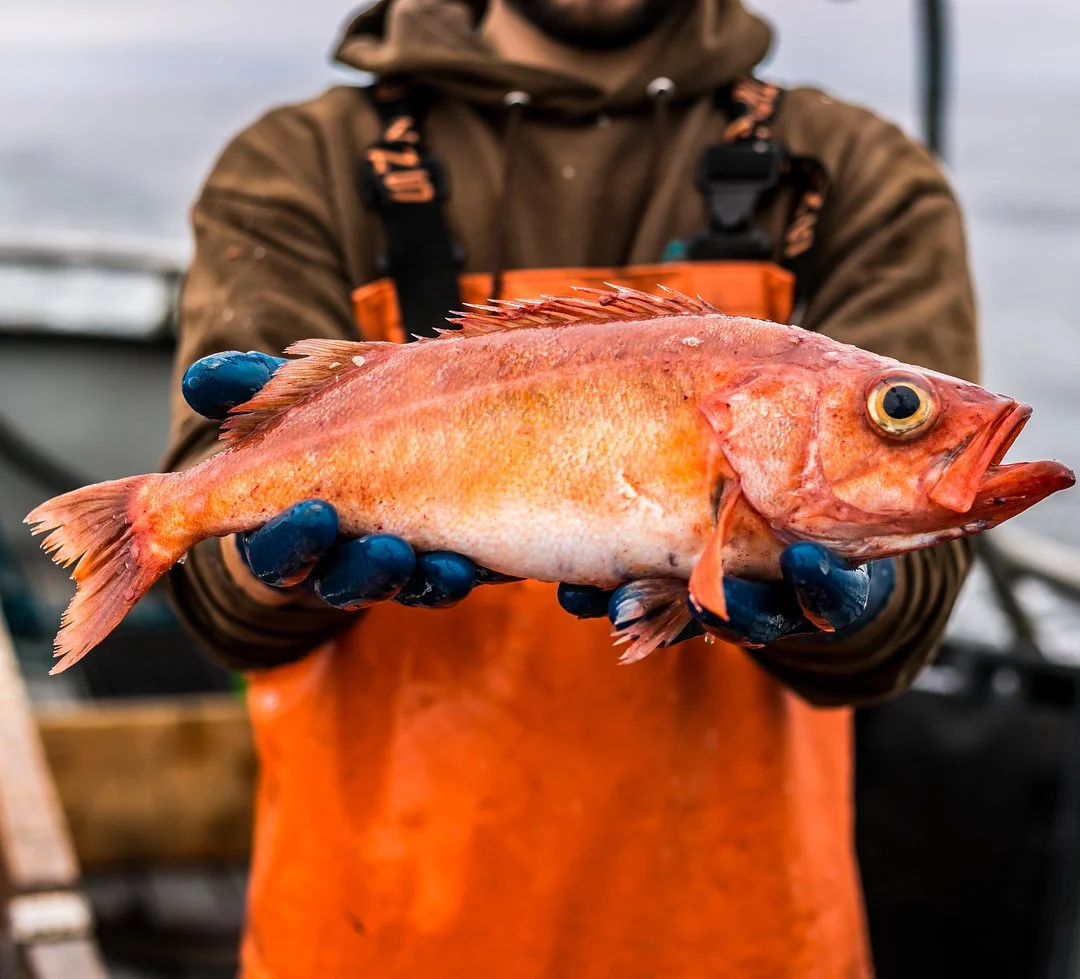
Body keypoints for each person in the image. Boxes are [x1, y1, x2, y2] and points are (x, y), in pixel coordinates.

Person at [164, 0, 978, 975]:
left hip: (737, 938)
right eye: (896, 406)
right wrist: (264, 559)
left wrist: (857, 599)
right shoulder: (300, 164)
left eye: (896, 407)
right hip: (376, 931)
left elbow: (917, 580)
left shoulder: (851, 172)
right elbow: (215, 580)